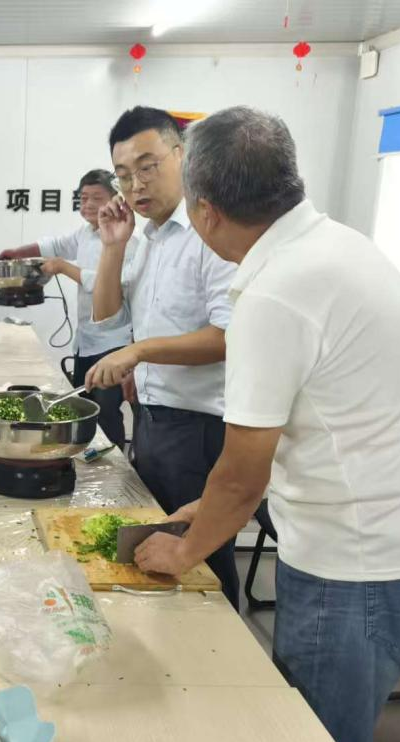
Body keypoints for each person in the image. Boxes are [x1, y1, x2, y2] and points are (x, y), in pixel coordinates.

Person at [133, 106, 400, 742]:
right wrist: (210, 509)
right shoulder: (337, 245)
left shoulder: (275, 292)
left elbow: (241, 471)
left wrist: (185, 549)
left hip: (354, 567)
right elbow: (327, 420)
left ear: (205, 211)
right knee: (317, 739)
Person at [83, 106, 240, 608]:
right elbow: (106, 316)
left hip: (199, 428)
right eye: (124, 175)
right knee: (156, 555)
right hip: (152, 420)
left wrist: (142, 352)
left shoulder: (211, 232)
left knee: (201, 564)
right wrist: (112, 246)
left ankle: (223, 650)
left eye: (147, 167)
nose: (136, 185)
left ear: (182, 155)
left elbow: (230, 337)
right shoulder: (148, 237)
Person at [0, 169, 133, 447]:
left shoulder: (128, 238)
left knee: (105, 412)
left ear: (116, 199)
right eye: (83, 198)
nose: (89, 204)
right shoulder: (86, 233)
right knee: (83, 407)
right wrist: (18, 253)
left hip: (114, 343)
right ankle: (87, 454)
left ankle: (114, 463)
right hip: (86, 341)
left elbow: (109, 284)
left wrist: (62, 267)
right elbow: (55, 245)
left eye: (97, 198)